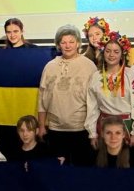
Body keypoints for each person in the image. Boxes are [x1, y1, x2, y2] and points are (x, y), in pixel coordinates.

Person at [37, 24, 98, 166]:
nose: (68, 45)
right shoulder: (50, 66)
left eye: (71, 41)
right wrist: (41, 126)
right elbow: (42, 98)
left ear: (78, 43)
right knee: (58, 171)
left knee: (81, 171)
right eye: (63, 42)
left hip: (81, 129)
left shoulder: (89, 66)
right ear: (58, 44)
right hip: (55, 129)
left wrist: (94, 130)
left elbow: (95, 101)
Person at [85, 30, 134, 150]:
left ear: (122, 54)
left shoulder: (131, 75)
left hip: (127, 127)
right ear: (103, 53)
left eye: (116, 51)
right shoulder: (96, 77)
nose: (111, 55)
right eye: (108, 51)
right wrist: (92, 133)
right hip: (104, 127)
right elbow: (92, 107)